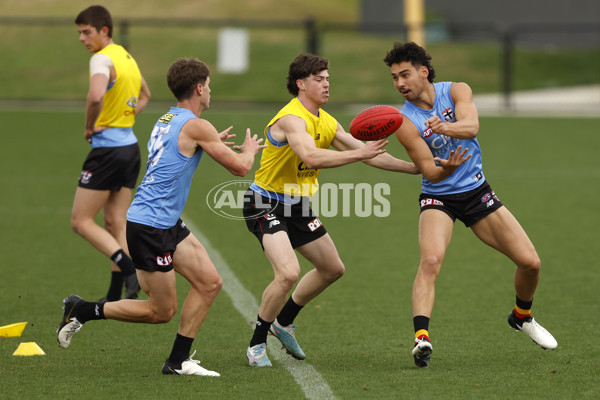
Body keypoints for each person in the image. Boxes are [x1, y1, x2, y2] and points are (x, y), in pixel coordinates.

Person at [57, 57, 266, 376]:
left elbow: (174, 150)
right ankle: (83, 309)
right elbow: (240, 167)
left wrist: (210, 143)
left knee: (209, 283)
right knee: (160, 311)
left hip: (164, 222)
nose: (210, 91)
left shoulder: (169, 118)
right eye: (208, 86)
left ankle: (178, 361)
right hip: (150, 226)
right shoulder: (197, 125)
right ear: (199, 88)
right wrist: (249, 149)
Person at [382, 42, 557, 368]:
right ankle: (421, 338)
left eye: (405, 75)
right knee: (431, 259)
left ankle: (522, 316)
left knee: (531, 262)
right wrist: (445, 167)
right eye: (394, 78)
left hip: (477, 192)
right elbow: (430, 171)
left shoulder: (457, 90)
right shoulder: (403, 121)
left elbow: (472, 126)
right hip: (438, 195)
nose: (400, 84)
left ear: (423, 72)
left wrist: (444, 127)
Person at [243, 53, 420, 367]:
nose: (327, 84)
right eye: (319, 79)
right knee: (287, 273)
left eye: (327, 78)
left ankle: (282, 324)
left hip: (298, 205)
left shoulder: (327, 121)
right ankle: (257, 344)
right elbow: (311, 156)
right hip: (264, 203)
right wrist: (361, 153)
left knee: (332, 269)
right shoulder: (291, 119)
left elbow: (368, 155)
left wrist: (418, 168)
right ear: (301, 84)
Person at [71, 5, 151, 302]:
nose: (81, 38)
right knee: (115, 222)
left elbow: (95, 95)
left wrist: (90, 126)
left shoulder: (101, 59)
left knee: (80, 221)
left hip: (107, 150)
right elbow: (145, 95)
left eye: (86, 31)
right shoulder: (126, 57)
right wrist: (126, 117)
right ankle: (117, 294)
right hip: (129, 148)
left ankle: (129, 267)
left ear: (104, 31)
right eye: (79, 32)